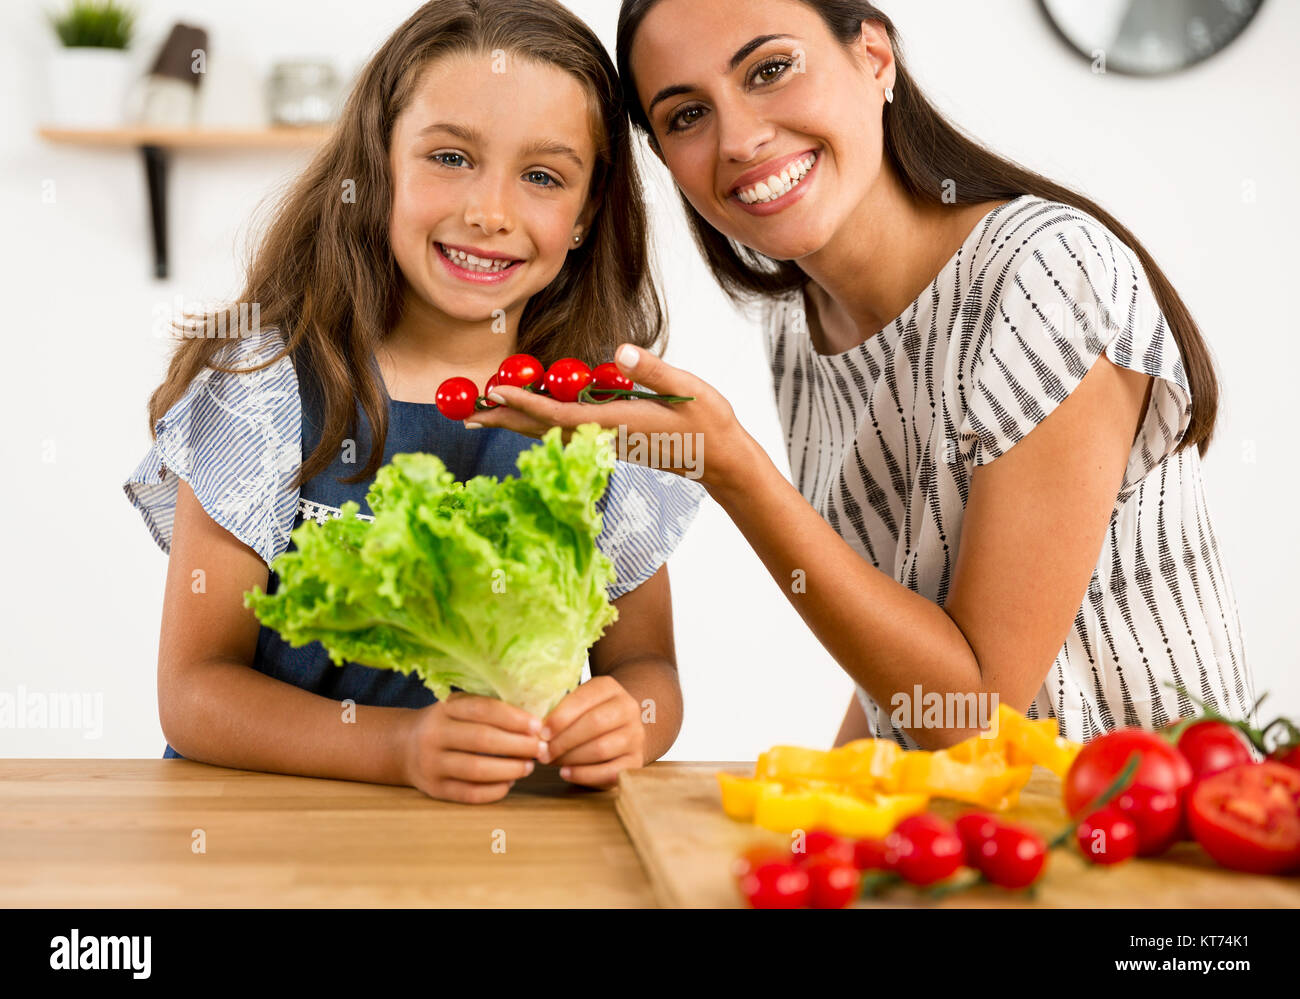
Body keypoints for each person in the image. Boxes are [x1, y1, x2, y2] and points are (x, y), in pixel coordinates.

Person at [467, 0, 1253, 750]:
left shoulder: (1047, 274)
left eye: (770, 69)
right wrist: (831, 789)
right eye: (686, 114)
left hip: (1145, 839)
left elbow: (975, 712)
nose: (738, 138)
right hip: (965, 839)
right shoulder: (799, 323)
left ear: (874, 56)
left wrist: (730, 467)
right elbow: (908, 640)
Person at [123, 0, 703, 801]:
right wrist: (399, 748)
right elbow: (194, 694)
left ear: (585, 214)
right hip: (264, 842)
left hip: (495, 853)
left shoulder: (600, 412)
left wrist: (630, 719)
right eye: (451, 157)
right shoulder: (265, 385)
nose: (488, 212)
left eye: (542, 176)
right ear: (378, 164)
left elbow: (649, 673)